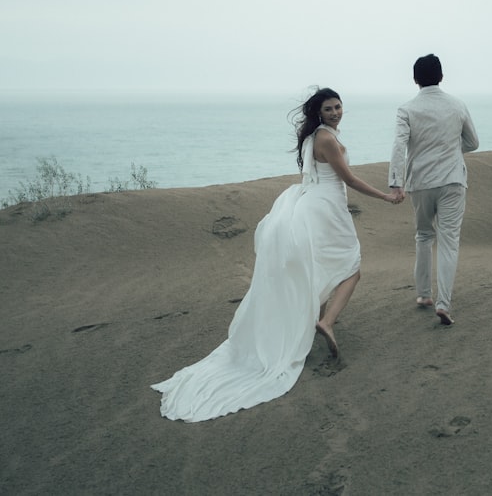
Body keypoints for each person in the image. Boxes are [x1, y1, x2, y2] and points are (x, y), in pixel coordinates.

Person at [152, 87, 403, 422]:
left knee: (321, 267)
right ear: (318, 111)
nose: (336, 112)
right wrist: (386, 198)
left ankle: (316, 319)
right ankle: (326, 322)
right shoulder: (326, 139)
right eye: (329, 108)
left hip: (314, 203)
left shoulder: (314, 137)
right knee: (351, 268)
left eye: (339, 106)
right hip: (326, 207)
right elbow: (350, 180)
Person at [388, 54, 479, 325]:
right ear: (441, 76)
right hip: (452, 179)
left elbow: (398, 146)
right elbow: (473, 142)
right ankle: (444, 303)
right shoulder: (457, 105)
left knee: (424, 235)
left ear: (415, 79)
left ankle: (424, 295)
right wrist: (449, 149)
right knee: (449, 241)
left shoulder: (406, 110)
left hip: (420, 182)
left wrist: (396, 182)